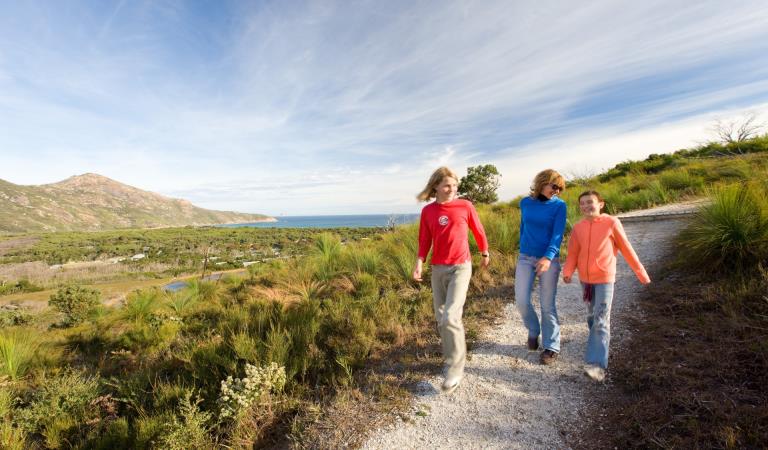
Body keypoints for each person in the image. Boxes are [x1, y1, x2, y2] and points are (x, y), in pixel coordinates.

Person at [412, 167, 490, 394]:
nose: (452, 189)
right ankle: (451, 357)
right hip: (438, 268)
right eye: (447, 185)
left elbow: (478, 229)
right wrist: (420, 262)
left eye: (455, 186)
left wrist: (484, 251)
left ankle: (456, 369)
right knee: (441, 318)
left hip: (461, 267)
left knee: (450, 316)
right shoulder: (428, 211)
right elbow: (424, 239)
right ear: (436, 186)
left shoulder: (465, 206)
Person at [562, 190, 650, 382]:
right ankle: (597, 343)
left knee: (601, 318)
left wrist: (641, 272)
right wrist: (568, 271)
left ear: (601, 204)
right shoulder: (578, 228)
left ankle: (596, 366)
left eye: (590, 202)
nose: (586, 206)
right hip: (586, 281)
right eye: (582, 204)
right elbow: (573, 253)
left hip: (604, 278)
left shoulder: (612, 222)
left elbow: (626, 248)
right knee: (593, 316)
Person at [515, 169, 567, 365]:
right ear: (542, 182)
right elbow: (523, 227)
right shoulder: (525, 203)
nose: (557, 191)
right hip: (526, 257)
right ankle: (534, 330)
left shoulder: (559, 206)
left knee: (547, 304)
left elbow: (557, 234)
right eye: (554, 186)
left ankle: (551, 346)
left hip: (549, 260)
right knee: (521, 300)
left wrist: (547, 257)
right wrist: (523, 247)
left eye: (560, 188)